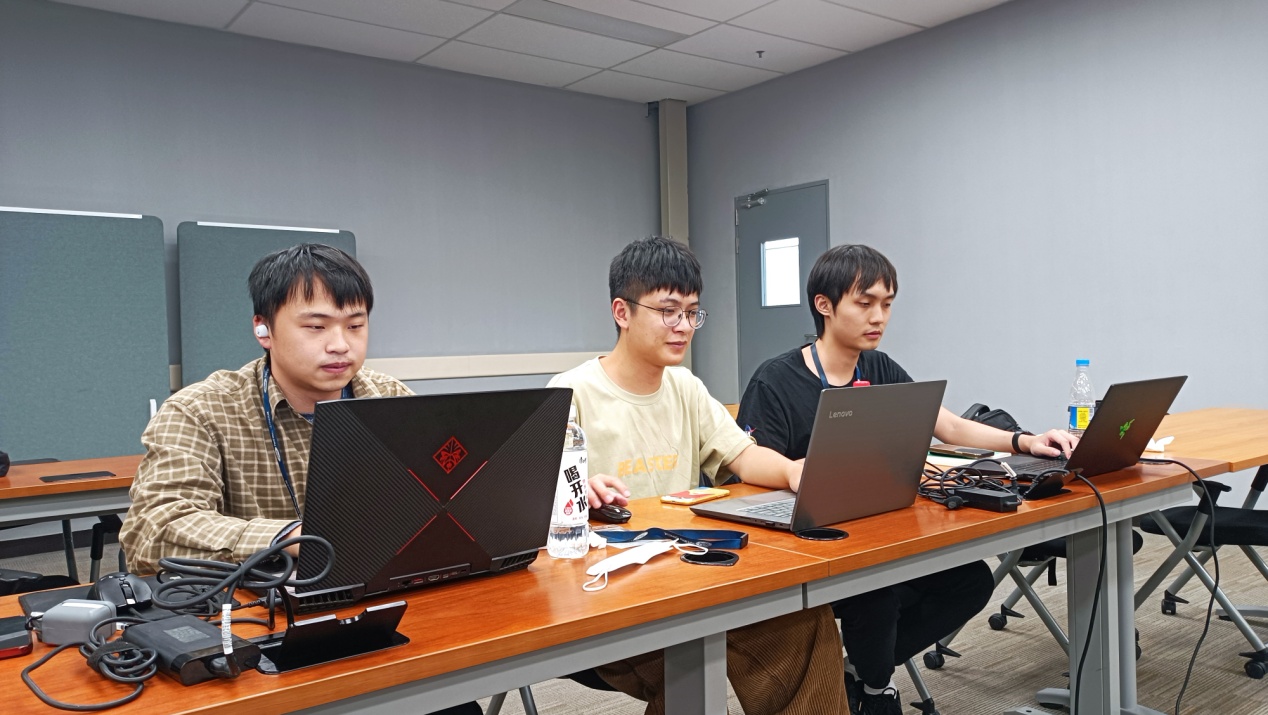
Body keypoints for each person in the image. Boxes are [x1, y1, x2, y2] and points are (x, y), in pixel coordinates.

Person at [119, 244, 481, 715]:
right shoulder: (201, 410)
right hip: (258, 633)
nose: (340, 345)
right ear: (263, 329)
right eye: (316, 327)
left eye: (355, 325)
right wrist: (287, 537)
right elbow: (152, 532)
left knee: (453, 705)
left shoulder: (389, 399)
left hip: (385, 610)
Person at [736, 244, 1079, 715]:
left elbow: (948, 425)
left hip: (882, 531)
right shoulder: (775, 381)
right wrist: (800, 474)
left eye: (887, 304)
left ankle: (853, 675)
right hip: (813, 544)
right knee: (876, 591)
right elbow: (748, 467)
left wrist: (1024, 441)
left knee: (971, 582)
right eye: (865, 303)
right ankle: (877, 692)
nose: (879, 317)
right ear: (824, 305)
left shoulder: (878, 367)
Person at [548, 236, 849, 715]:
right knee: (689, 660)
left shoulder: (684, 386)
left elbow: (742, 456)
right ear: (622, 312)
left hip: (690, 573)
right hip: (608, 590)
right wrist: (580, 492)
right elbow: (541, 496)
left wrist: (794, 471)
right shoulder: (572, 392)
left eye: (692, 313)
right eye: (669, 311)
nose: (684, 326)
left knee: (806, 623)